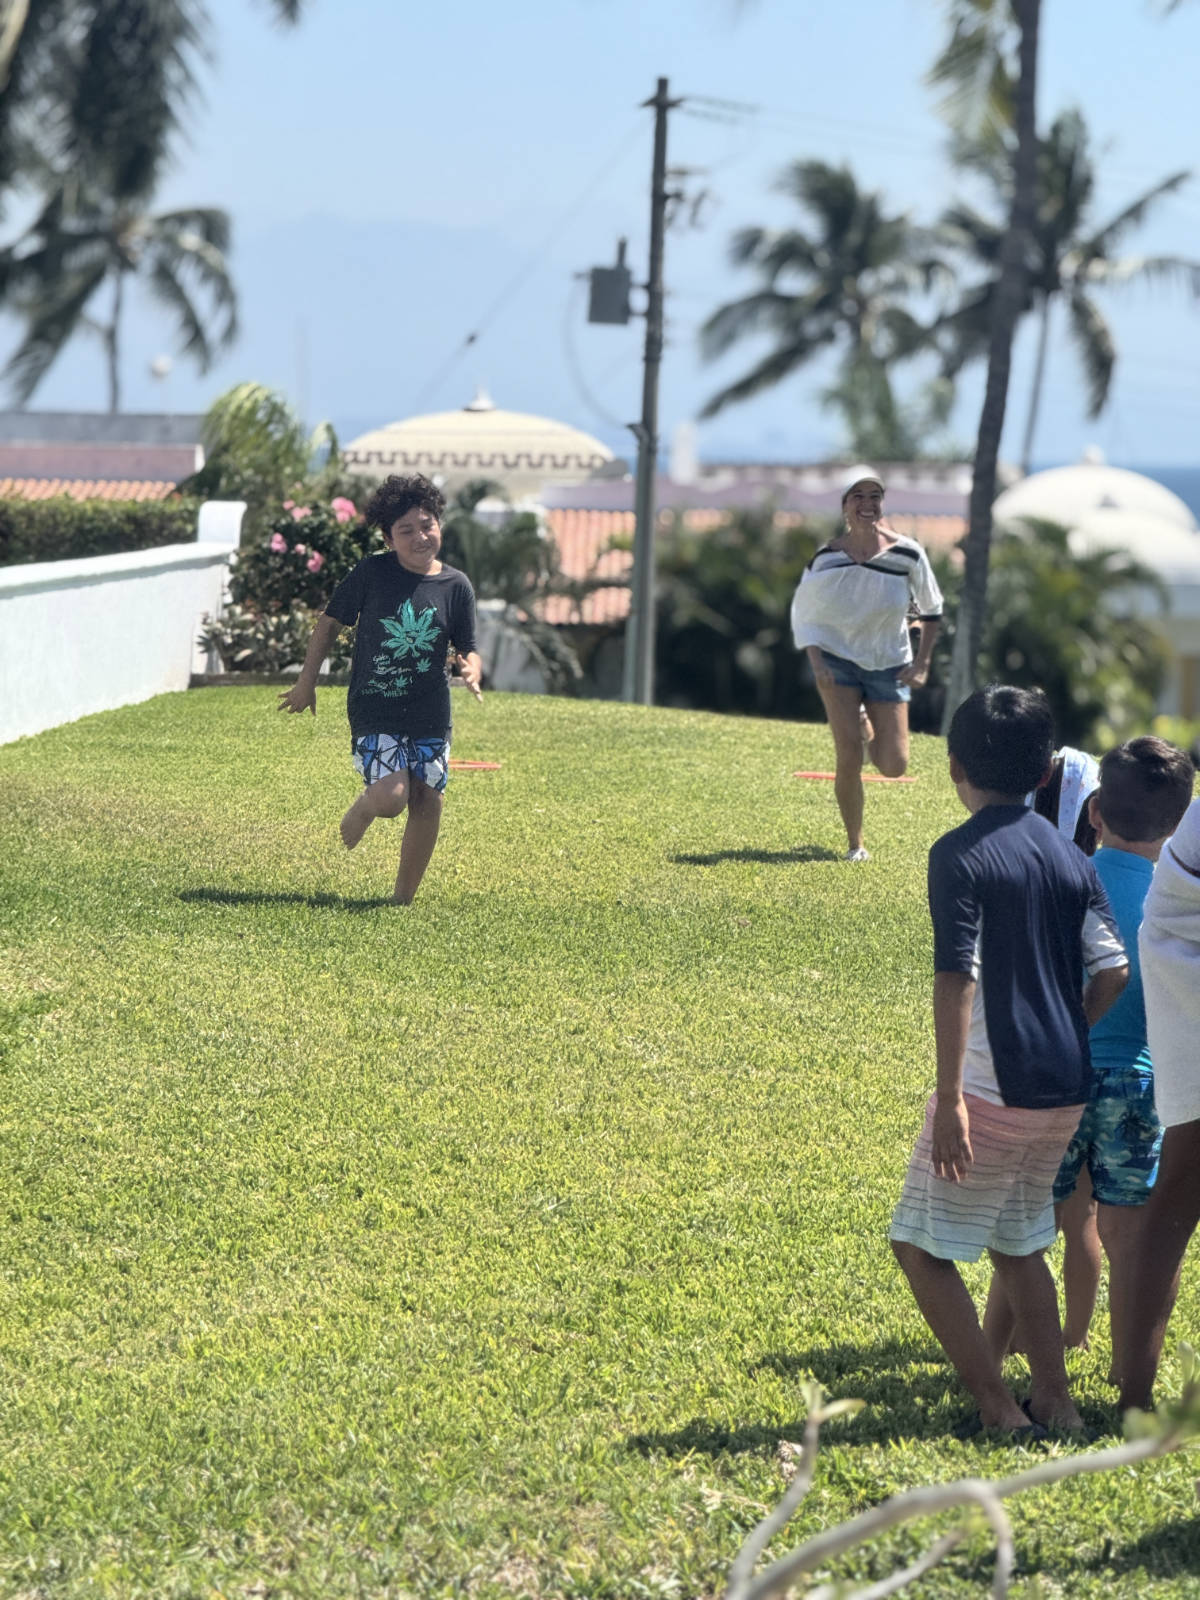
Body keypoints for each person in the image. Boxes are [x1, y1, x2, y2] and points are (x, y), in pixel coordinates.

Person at [889, 686, 1128, 1435]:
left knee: (918, 1248)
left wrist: (951, 1096)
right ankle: (1055, 1400)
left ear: (954, 766)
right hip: (1066, 1085)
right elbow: (1113, 969)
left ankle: (999, 1409)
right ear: (1046, 771)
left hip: (992, 1087)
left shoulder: (957, 854)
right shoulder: (1072, 857)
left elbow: (956, 975)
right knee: (1020, 1242)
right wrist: (1070, 1027)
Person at [985, 737, 1195, 1384]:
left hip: (1058, 1081)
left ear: (1094, 810)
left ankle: (991, 1357)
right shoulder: (1174, 902)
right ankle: (1125, 1371)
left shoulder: (1060, 882)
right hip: (1140, 1087)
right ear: (1179, 826)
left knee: (1029, 1231)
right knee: (1132, 1238)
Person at [277, 472, 483, 905]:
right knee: (392, 798)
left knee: (427, 799)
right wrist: (306, 681)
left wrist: (471, 670)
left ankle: (402, 900)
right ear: (389, 539)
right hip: (375, 709)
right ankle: (366, 806)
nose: (420, 537)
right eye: (406, 530)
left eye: (427, 525)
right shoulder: (372, 572)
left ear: (439, 525)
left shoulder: (456, 586)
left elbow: (468, 647)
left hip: (430, 713)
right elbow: (328, 624)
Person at [790, 466, 943, 862]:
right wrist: (816, 662)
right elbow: (805, 613)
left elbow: (932, 608)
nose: (867, 503)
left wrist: (922, 663)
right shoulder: (827, 558)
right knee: (848, 755)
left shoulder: (908, 554)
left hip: (889, 663)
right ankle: (855, 844)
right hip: (837, 663)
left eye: (874, 496)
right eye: (858, 496)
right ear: (845, 506)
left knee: (894, 764)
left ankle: (866, 724)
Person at [1118, 796, 1200, 1412]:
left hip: (1177, 938)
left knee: (1175, 1190)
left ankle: (1134, 1395)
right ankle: (1133, 1393)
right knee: (1177, 1186)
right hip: (1182, 937)